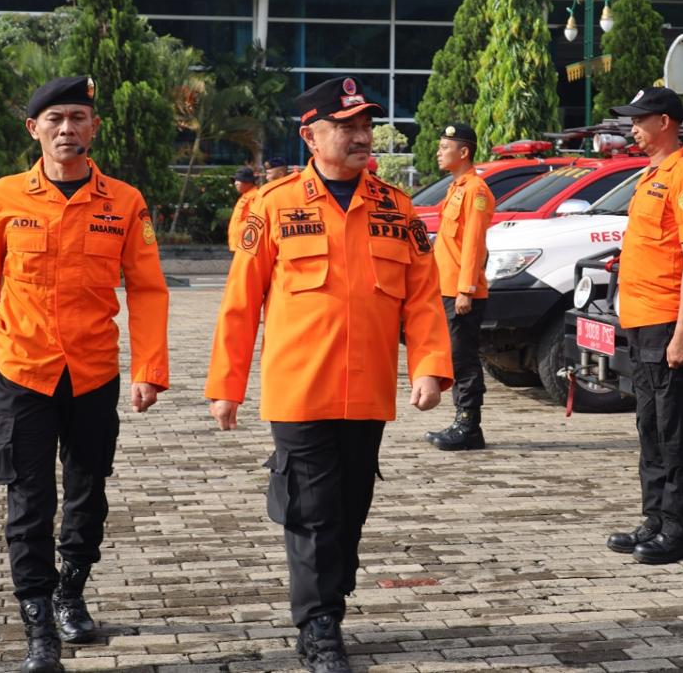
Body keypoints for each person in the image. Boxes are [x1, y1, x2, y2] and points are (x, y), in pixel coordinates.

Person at [204, 75, 453, 673]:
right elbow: (241, 303)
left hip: (367, 392)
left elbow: (422, 297)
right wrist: (226, 386)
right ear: (311, 135)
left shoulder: (396, 209)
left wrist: (429, 367)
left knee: (350, 506)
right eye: (346, 127)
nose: (361, 135)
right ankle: (318, 626)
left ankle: (328, 604)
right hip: (299, 389)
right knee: (313, 508)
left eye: (365, 125)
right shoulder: (274, 206)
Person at [0, 76, 170, 673]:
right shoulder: (1, 198)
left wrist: (150, 368)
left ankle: (70, 592)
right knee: (28, 500)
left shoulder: (124, 202)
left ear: (94, 127)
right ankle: (38, 623)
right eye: (55, 119)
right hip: (22, 370)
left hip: (93, 372)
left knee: (87, 492)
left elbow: (149, 291)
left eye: (78, 117)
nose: (67, 129)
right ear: (34, 129)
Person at [603, 87, 683, 566]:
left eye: (639, 121)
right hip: (641, 320)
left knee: (676, 430)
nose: (633, 130)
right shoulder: (651, 176)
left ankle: (680, 530)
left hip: (669, 322)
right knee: (650, 426)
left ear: (664, 122)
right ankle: (655, 518)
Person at [424, 122, 495, 450]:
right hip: (447, 287)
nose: (439, 152)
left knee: (463, 359)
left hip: (462, 292)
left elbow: (473, 244)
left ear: (463, 152)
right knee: (456, 357)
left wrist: (467, 288)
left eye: (445, 147)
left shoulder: (476, 191)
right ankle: (462, 421)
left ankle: (469, 427)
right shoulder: (455, 188)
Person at [228, 166, 259, 251]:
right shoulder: (245, 196)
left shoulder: (255, 197)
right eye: (235, 181)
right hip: (241, 244)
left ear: (248, 182)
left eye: (239, 180)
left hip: (246, 245)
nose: (235, 183)